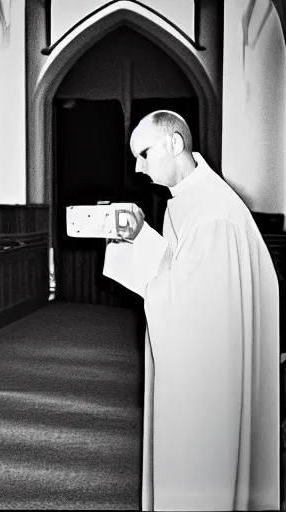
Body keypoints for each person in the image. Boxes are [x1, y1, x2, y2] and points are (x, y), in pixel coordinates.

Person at [103, 110, 280, 511]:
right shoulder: (187, 201)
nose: (138, 167)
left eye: (144, 154)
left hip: (210, 378)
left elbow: (193, 306)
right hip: (200, 364)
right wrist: (138, 237)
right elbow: (178, 270)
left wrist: (141, 260)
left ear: (175, 144)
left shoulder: (214, 212)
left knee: (202, 471)